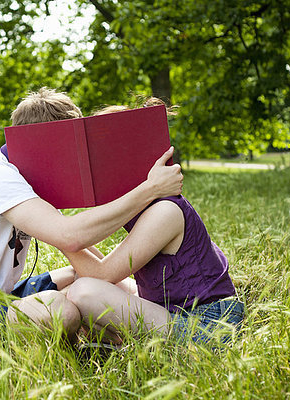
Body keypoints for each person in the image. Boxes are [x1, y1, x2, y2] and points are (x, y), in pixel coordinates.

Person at [0, 88, 184, 338]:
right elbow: (70, 236)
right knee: (58, 310)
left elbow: (84, 258)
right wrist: (150, 189)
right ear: (42, 143)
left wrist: (125, 288)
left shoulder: (23, 179)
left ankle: (160, 325)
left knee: (79, 277)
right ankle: (106, 344)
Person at [64, 99, 244, 345]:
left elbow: (101, 274)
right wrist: (65, 234)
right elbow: (100, 269)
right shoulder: (146, 208)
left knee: (83, 291)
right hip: (172, 309)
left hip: (208, 324)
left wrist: (60, 236)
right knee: (81, 281)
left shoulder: (165, 211)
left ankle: (138, 346)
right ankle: (132, 345)